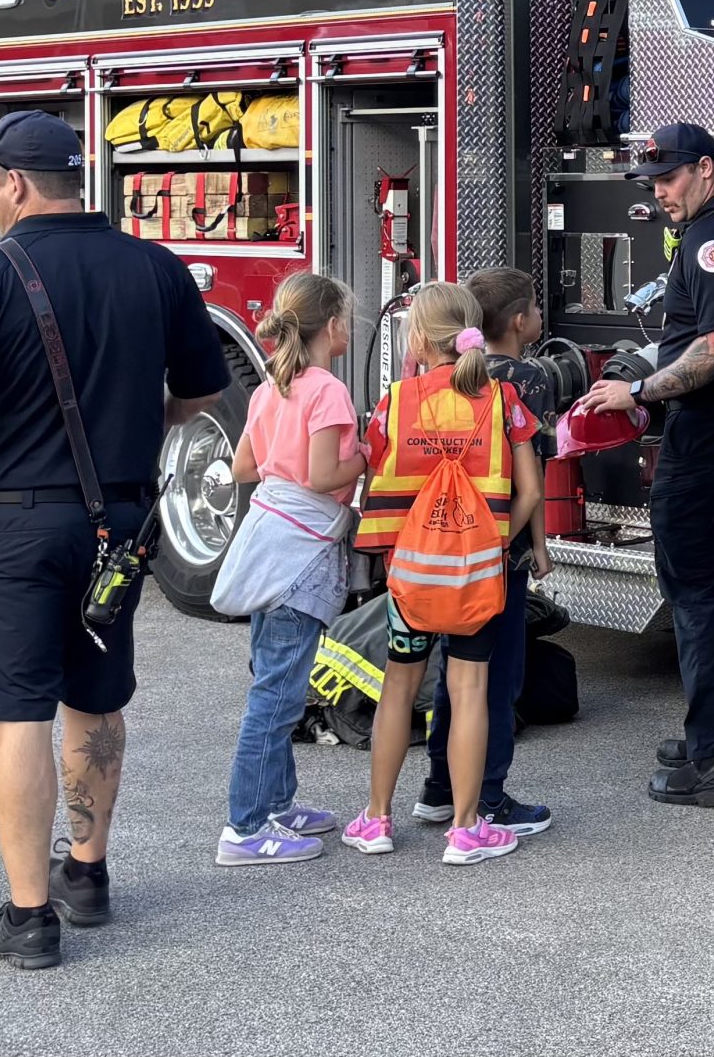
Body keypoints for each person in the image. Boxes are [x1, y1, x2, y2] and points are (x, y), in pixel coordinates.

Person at [0, 110, 227, 969]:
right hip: (118, 525)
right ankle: (88, 874)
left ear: (15, 183)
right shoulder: (158, 267)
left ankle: (30, 917)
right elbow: (199, 396)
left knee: (20, 709)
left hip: (14, 526)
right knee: (95, 697)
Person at [574, 121, 714, 808]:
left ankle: (712, 761)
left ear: (707, 168)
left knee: (696, 591)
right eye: (652, 183)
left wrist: (642, 389)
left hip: (707, 436)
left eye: (671, 178)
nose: (659, 193)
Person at [342, 283, 543, 866]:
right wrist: (490, 543)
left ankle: (377, 818)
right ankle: (465, 828)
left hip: (413, 575)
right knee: (471, 689)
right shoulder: (506, 400)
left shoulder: (397, 401)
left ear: (420, 339)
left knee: (399, 687)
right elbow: (529, 491)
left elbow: (377, 475)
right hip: (478, 575)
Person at [217, 273, 363, 867]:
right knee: (276, 695)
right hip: (302, 553)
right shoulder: (325, 389)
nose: (349, 328)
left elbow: (242, 466)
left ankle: (277, 803)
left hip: (266, 542)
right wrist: (370, 450)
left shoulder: (268, 387)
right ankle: (245, 828)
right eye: (347, 319)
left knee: (274, 682)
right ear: (330, 326)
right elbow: (327, 476)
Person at [413, 267, 558, 839]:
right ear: (520, 322)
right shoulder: (526, 380)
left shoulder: (435, 381)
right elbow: (534, 476)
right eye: (537, 309)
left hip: (442, 551)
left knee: (454, 671)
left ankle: (438, 787)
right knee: (498, 680)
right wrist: (531, 545)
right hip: (498, 555)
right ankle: (490, 795)